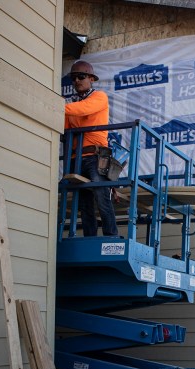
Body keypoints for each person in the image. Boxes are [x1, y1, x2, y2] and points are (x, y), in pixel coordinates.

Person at [64, 60, 118, 237]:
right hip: (77, 158)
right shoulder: (71, 105)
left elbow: (83, 109)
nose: (77, 81)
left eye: (81, 76)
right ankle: (90, 237)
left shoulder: (99, 97)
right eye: (74, 78)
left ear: (91, 79)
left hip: (95, 156)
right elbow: (65, 130)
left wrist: (58, 107)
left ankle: (111, 236)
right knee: (84, 202)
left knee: (102, 198)